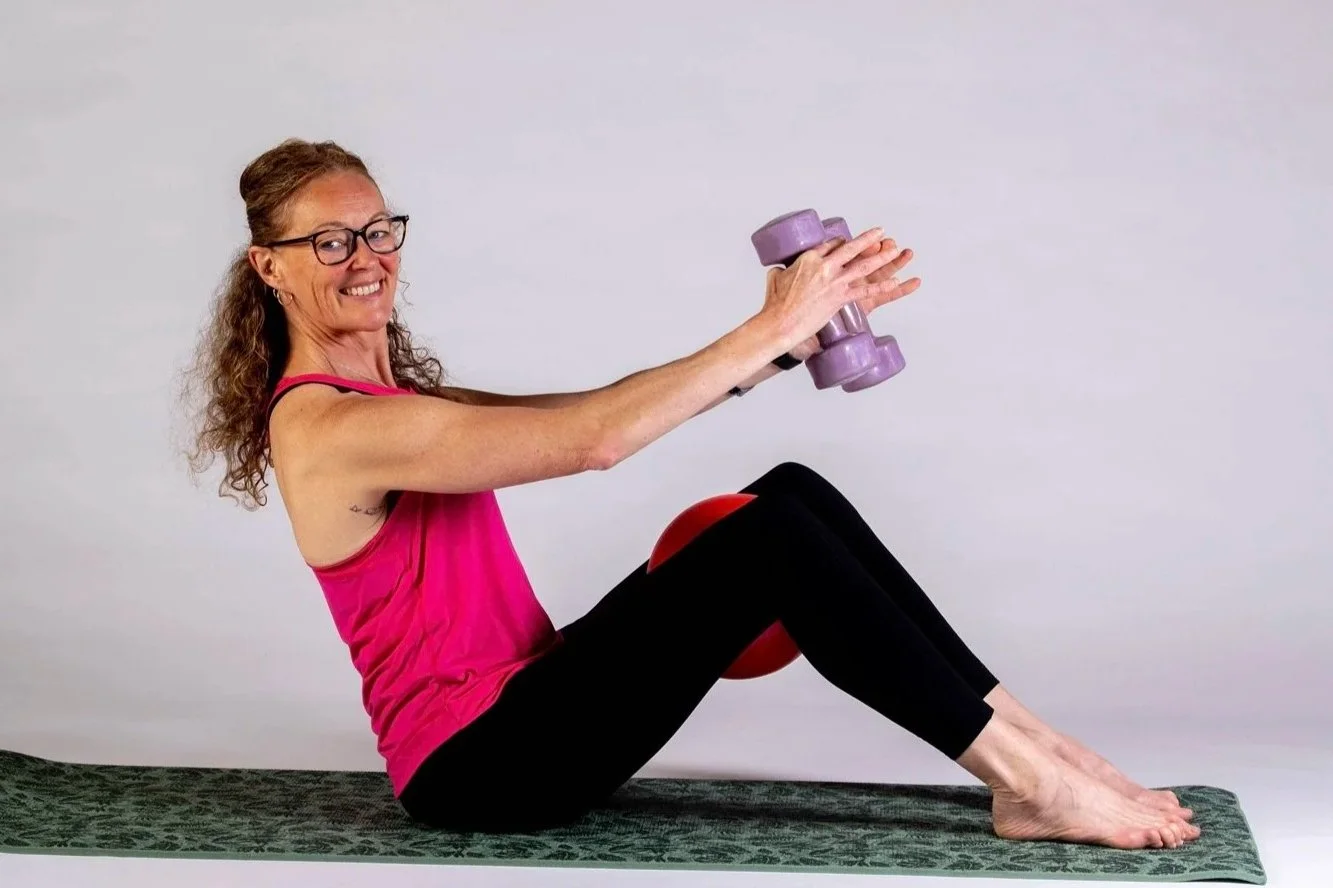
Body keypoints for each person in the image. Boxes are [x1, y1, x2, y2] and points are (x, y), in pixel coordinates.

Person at [182, 138, 1200, 850]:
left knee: (790, 495)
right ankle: (1028, 784)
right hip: (481, 767)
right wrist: (767, 327)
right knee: (769, 546)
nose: (367, 258)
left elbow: (596, 405)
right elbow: (595, 443)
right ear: (268, 266)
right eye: (331, 242)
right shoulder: (324, 424)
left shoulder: (393, 397)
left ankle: (1047, 752)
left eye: (378, 229)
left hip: (533, 696)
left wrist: (783, 346)